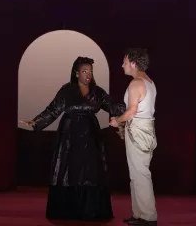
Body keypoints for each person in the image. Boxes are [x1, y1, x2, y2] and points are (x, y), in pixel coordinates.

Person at [20, 56, 125, 220]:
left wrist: (131, 105)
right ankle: (68, 210)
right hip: (69, 135)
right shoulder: (67, 90)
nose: (88, 75)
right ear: (77, 73)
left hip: (90, 134)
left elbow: (113, 106)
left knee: (91, 170)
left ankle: (90, 210)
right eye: (84, 71)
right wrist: (35, 122)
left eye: (90, 71)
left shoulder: (97, 92)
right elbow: (53, 110)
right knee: (69, 169)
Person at [109, 48, 158, 226]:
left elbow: (131, 112)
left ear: (133, 63)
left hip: (138, 130)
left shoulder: (136, 83)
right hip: (144, 130)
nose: (122, 66)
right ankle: (139, 214)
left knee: (140, 174)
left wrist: (117, 121)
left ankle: (148, 217)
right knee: (137, 173)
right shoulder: (149, 82)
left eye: (124, 62)